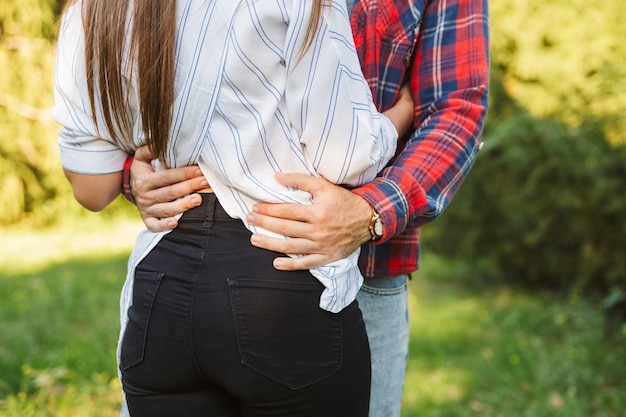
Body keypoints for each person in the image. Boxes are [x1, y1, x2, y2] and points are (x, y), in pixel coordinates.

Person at [123, 0, 490, 416]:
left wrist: (370, 211)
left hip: (365, 271)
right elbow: (131, 69)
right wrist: (135, 172)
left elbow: (456, 108)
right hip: (185, 258)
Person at [53, 0, 416, 416]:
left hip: (161, 294)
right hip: (279, 280)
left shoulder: (91, 10)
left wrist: (142, 166)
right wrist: (397, 119)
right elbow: (345, 156)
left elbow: (91, 188)